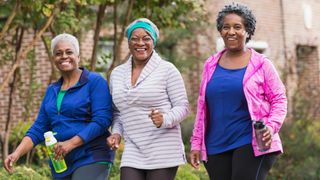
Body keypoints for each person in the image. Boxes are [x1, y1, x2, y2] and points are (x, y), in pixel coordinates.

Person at [190, 3, 287, 180]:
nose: (231, 32)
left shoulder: (262, 64)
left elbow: (279, 99)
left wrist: (271, 126)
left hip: (251, 142)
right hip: (215, 144)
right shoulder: (210, 65)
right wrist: (196, 143)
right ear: (220, 31)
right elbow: (203, 107)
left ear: (248, 31)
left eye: (237, 27)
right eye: (226, 27)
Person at [3, 33, 114, 180]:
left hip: (92, 155)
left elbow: (102, 120)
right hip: (61, 162)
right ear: (53, 59)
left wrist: (71, 143)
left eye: (69, 52)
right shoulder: (52, 90)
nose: (64, 56)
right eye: (58, 53)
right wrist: (16, 153)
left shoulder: (94, 81)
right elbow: (39, 127)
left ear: (78, 56)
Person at [106, 18, 189, 180]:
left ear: (154, 42)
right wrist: (116, 132)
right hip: (133, 148)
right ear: (128, 42)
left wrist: (164, 119)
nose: (140, 43)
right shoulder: (117, 74)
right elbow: (117, 112)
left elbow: (183, 107)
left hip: (163, 148)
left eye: (146, 38)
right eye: (134, 38)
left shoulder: (167, 70)